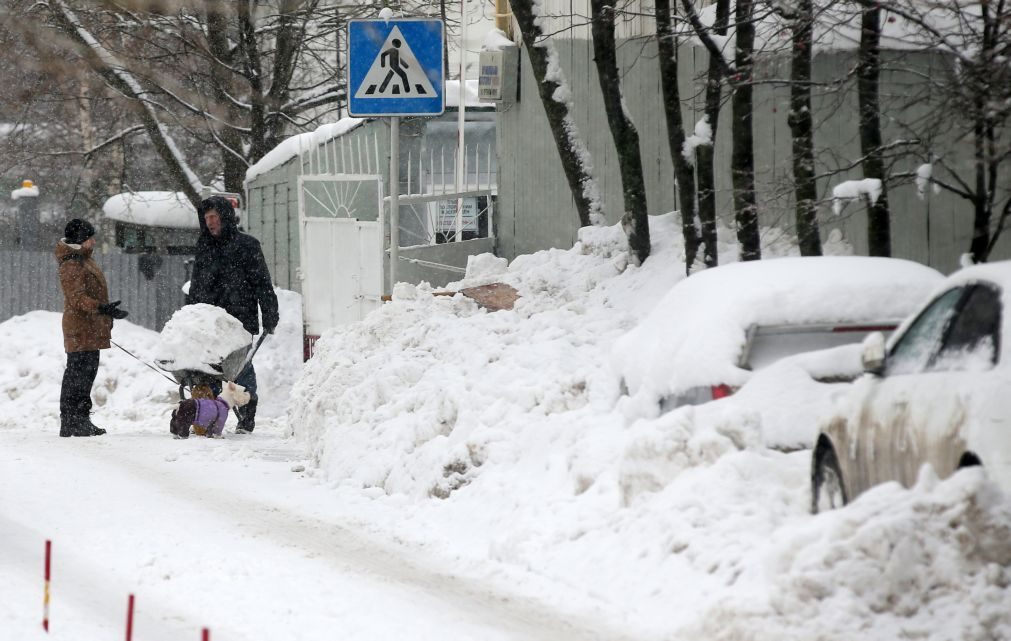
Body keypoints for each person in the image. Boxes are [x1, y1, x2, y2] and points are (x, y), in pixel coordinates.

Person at [187, 196, 278, 434]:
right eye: (206, 218)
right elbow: (196, 283)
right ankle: (211, 412)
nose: (210, 222)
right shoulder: (204, 246)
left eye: (214, 216)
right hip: (210, 320)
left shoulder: (247, 246)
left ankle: (247, 412)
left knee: (239, 369)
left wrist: (270, 312)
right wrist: (189, 312)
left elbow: (262, 283)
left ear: (225, 217)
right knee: (210, 368)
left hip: (240, 319)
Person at [56, 218, 129, 437]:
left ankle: (79, 419)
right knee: (78, 374)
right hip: (80, 328)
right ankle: (72, 420)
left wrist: (104, 310)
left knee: (85, 373)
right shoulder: (71, 263)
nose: (93, 242)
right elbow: (77, 298)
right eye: (90, 238)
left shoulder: (82, 259)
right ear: (81, 239)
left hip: (89, 327)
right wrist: (101, 308)